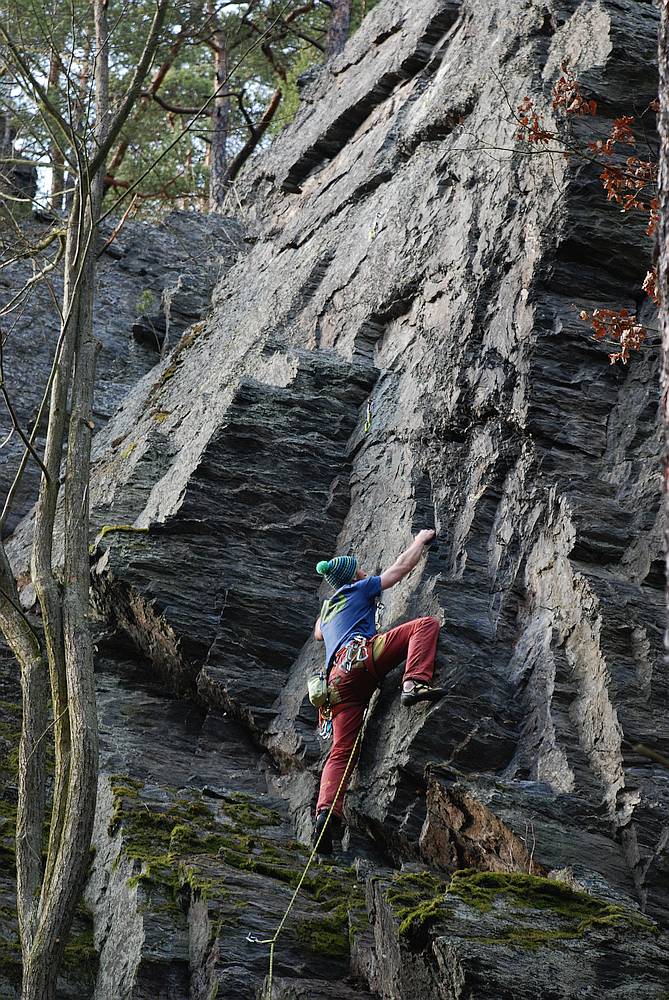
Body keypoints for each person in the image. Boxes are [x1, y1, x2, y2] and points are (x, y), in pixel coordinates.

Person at [312, 529, 444, 853]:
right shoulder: (358, 588)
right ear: (352, 575)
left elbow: (318, 634)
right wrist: (419, 541)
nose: (363, 570)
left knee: (342, 752)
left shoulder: (327, 612)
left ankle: (326, 812)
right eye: (357, 569)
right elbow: (399, 570)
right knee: (424, 625)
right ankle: (413, 683)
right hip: (361, 660)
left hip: (336, 689)